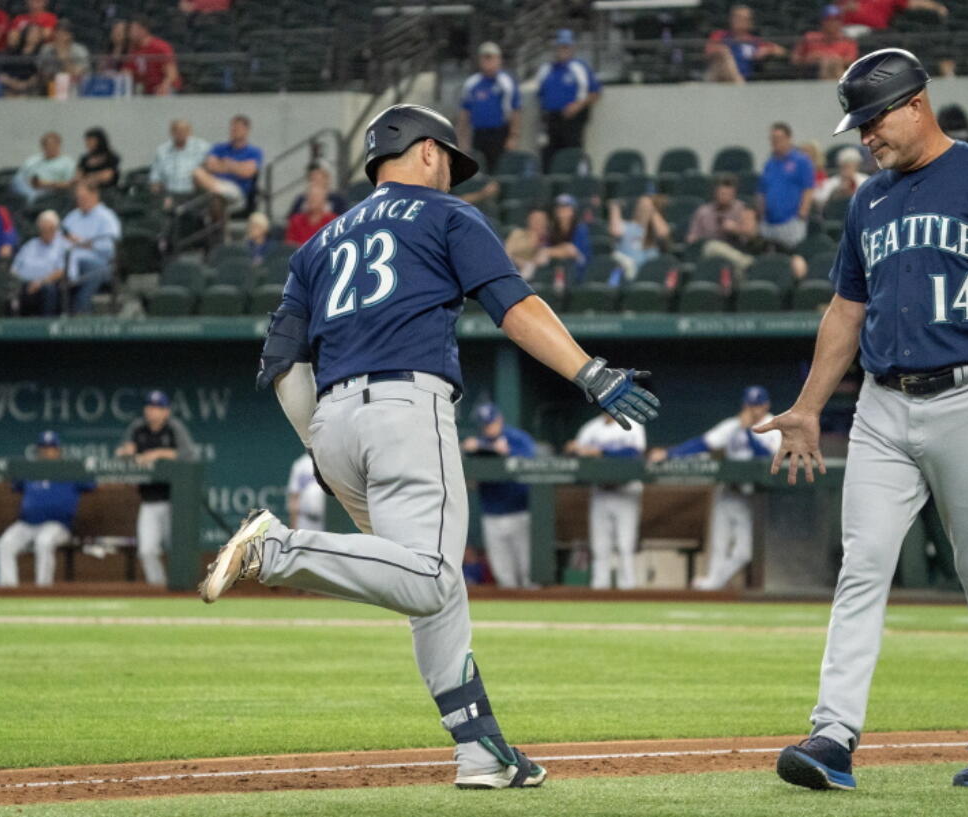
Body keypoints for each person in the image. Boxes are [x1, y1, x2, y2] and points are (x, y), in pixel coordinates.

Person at [197, 103, 658, 790]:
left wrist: (322, 453)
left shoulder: (316, 245)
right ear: (422, 151)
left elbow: (284, 366)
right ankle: (275, 548)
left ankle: (480, 752)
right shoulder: (447, 216)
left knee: (436, 591)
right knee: (434, 577)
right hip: (406, 407)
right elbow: (515, 306)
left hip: (329, 419)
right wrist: (591, 372)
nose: (450, 169)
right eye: (446, 154)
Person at [760, 48, 968, 792]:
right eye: (858, 124)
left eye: (873, 119)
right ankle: (833, 733)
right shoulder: (868, 200)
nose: (864, 136)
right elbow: (847, 310)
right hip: (881, 403)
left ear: (915, 103)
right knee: (862, 564)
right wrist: (810, 407)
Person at [648, 386, 780, 590]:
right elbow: (703, 443)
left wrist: (747, 431)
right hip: (727, 491)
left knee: (744, 552)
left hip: (754, 496)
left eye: (757, 405)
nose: (753, 410)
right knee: (718, 547)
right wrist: (670, 454)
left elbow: (764, 456)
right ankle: (711, 589)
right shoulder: (732, 425)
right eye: (749, 405)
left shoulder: (774, 426)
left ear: (766, 405)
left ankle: (711, 584)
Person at [115, 390, 199, 587]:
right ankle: (158, 588)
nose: (151, 411)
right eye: (149, 407)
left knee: (177, 548)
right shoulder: (138, 428)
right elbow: (121, 453)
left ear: (166, 411)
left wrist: (158, 453)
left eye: (157, 408)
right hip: (149, 500)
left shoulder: (173, 428)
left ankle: (182, 587)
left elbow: (189, 455)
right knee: (146, 550)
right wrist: (126, 453)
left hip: (175, 500)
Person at [0, 431, 94, 588]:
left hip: (57, 525)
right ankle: (9, 590)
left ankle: (42, 589)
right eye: (44, 448)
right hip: (27, 524)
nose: (47, 452)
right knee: (4, 544)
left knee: (44, 541)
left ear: (58, 451)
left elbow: (92, 483)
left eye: (51, 448)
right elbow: (14, 483)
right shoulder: (30, 469)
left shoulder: (69, 469)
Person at [566, 412, 646, 590]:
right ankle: (599, 589)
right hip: (600, 491)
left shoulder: (632, 424)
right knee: (599, 546)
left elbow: (634, 453)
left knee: (625, 545)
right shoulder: (590, 428)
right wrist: (573, 450)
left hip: (626, 491)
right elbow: (576, 456)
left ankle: (628, 589)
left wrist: (600, 451)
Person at [461, 403, 538, 589]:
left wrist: (506, 452)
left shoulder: (516, 438)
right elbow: (470, 477)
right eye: (485, 425)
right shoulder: (478, 444)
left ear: (500, 419)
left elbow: (533, 462)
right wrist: (470, 449)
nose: (488, 427)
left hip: (520, 511)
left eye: (491, 423)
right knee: (503, 573)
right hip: (492, 513)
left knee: (528, 571)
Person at [535, 30, 601, 173]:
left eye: (566, 47)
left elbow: (595, 92)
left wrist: (578, 105)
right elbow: (540, 95)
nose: (563, 50)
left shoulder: (580, 67)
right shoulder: (546, 69)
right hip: (551, 119)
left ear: (572, 48)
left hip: (572, 119)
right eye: (561, 46)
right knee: (549, 157)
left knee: (573, 154)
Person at [458, 42, 521, 176]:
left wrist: (513, 137)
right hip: (479, 134)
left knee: (499, 171)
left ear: (499, 59)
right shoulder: (472, 83)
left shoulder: (505, 82)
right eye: (484, 58)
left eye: (491, 57)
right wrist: (461, 139)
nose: (488, 62)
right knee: (478, 172)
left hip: (499, 134)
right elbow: (465, 113)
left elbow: (515, 111)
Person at [61, 181, 121, 314]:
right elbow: (61, 237)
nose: (80, 201)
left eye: (83, 197)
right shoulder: (72, 216)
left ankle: (81, 312)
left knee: (88, 267)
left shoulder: (107, 217)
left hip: (100, 264)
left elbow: (110, 247)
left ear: (95, 195)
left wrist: (82, 242)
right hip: (69, 259)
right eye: (78, 198)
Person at [687, 174, 765, 273]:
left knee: (734, 268)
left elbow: (754, 234)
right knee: (712, 246)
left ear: (734, 194)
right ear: (715, 193)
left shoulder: (742, 209)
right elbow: (691, 238)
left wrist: (736, 229)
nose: (725, 197)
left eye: (729, 195)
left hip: (736, 251)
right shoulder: (703, 212)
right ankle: (746, 263)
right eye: (722, 194)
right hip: (710, 255)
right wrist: (696, 239)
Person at [757, 122, 815, 251]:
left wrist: (802, 213)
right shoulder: (769, 163)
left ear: (789, 138)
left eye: (779, 139)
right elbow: (762, 190)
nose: (775, 142)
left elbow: (808, 188)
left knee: (791, 255)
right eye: (772, 139)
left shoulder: (801, 161)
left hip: (791, 221)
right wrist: (761, 213)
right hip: (769, 222)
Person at [193, 114, 263, 214]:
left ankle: (217, 195)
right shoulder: (219, 148)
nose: (234, 130)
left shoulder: (254, 152)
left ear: (246, 130)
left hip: (237, 191)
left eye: (238, 128)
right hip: (215, 184)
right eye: (232, 127)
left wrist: (226, 164)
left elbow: (247, 172)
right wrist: (236, 166)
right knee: (197, 172)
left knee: (216, 199)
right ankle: (217, 193)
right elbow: (210, 166)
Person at [705, 5, 784, 84]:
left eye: (744, 18)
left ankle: (739, 83)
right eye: (737, 17)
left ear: (750, 22)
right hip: (719, 76)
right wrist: (722, 50)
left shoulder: (754, 41)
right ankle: (739, 84)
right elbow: (709, 51)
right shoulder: (720, 35)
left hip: (745, 77)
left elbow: (781, 51)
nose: (739, 21)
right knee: (723, 53)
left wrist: (768, 50)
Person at [11, 209, 68, 315]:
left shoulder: (63, 246)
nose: (47, 232)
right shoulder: (29, 245)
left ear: (56, 228)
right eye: (43, 229)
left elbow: (63, 270)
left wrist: (41, 282)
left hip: (47, 285)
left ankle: (46, 326)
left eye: (50, 228)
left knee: (49, 290)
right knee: (11, 291)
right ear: (39, 229)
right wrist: (16, 283)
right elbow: (14, 268)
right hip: (24, 285)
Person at [149, 119, 211, 204]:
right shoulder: (162, 151)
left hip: (195, 194)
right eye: (177, 131)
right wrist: (158, 194)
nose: (180, 134)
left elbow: (212, 168)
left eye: (184, 131)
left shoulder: (202, 147)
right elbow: (155, 177)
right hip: (170, 194)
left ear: (190, 132)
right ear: (171, 133)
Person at [608, 195, 669, 278]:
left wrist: (652, 211)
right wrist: (615, 208)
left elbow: (663, 233)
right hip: (626, 271)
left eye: (646, 207)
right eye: (640, 206)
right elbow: (615, 231)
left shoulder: (653, 230)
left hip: (649, 271)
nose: (642, 209)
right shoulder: (627, 226)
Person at [793, 6, 858, 80]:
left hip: (840, 72)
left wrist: (837, 59)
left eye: (836, 20)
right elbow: (795, 59)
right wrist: (809, 58)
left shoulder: (847, 40)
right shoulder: (810, 38)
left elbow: (852, 61)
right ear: (823, 21)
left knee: (834, 64)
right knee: (825, 63)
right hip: (812, 76)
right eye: (829, 20)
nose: (832, 23)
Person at [11, 131, 75, 204]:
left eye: (52, 145)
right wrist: (31, 181)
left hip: (50, 191)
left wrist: (47, 184)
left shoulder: (67, 162)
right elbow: (21, 177)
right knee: (17, 178)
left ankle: (32, 201)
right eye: (47, 145)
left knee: (33, 195)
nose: (50, 148)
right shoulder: (34, 160)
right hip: (29, 186)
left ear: (58, 145)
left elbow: (70, 184)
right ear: (43, 147)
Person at [122, 16, 180, 95]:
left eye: (133, 30)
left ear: (143, 30)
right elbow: (127, 71)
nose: (130, 34)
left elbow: (172, 74)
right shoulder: (133, 51)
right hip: (146, 91)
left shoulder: (160, 47)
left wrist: (164, 85)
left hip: (164, 88)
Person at [837, 0, 948, 37]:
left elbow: (912, 3)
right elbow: (834, 10)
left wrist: (936, 7)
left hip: (878, 32)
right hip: (849, 30)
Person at [544, 194, 591, 280]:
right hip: (555, 268)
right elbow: (544, 251)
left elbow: (572, 251)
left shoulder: (580, 228)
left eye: (566, 207)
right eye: (559, 208)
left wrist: (552, 251)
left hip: (579, 267)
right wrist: (559, 251)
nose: (562, 210)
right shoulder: (552, 229)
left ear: (573, 210)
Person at [36, 18, 88, 89]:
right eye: (57, 33)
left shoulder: (80, 50)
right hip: (49, 87)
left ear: (70, 36)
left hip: (74, 88)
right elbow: (40, 73)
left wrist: (63, 58)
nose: (60, 36)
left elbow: (77, 75)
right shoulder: (46, 49)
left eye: (64, 34)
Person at [0, 22, 45, 96]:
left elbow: (40, 74)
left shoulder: (42, 52)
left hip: (31, 89)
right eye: (32, 32)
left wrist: (24, 85)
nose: (34, 35)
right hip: (10, 87)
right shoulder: (14, 52)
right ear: (25, 34)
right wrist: (14, 84)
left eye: (37, 33)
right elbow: (2, 73)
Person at [503, 208, 550, 280]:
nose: (537, 221)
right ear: (528, 220)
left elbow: (545, 258)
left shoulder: (549, 237)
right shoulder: (517, 233)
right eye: (534, 218)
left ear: (546, 221)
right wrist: (519, 261)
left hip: (541, 274)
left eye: (541, 219)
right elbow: (506, 252)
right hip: (515, 268)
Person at [287, 451, 325, 531]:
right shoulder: (300, 464)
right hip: (304, 520)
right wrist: (294, 526)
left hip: (326, 521)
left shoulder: (329, 462)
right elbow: (294, 496)